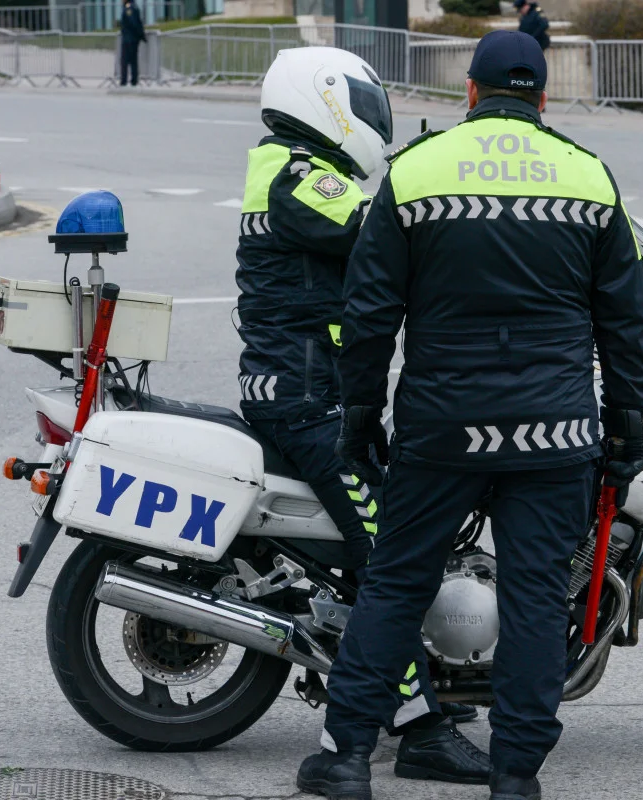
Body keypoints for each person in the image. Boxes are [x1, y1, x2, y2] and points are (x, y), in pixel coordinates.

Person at [297, 29, 643, 800]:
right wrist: (626, 427)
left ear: (469, 93)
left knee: (395, 585)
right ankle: (516, 775)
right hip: (553, 432)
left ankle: (346, 758)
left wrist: (360, 418)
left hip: (441, 427)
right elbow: (626, 321)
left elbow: (368, 311)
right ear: (541, 97)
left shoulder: (417, 173)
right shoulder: (588, 177)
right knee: (534, 597)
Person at [235, 46, 487, 786]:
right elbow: (387, 229)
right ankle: (417, 730)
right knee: (390, 560)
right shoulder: (298, 176)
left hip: (315, 393)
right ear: (327, 102)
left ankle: (426, 680)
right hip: (308, 403)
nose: (372, 124)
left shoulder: (295, 170)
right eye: (365, 108)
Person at [118, 0, 147, 87]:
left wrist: (140, 34)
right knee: (133, 60)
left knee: (125, 60)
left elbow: (133, 23)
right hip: (132, 38)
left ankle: (125, 81)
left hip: (129, 39)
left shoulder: (129, 7)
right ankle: (133, 80)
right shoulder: (134, 6)